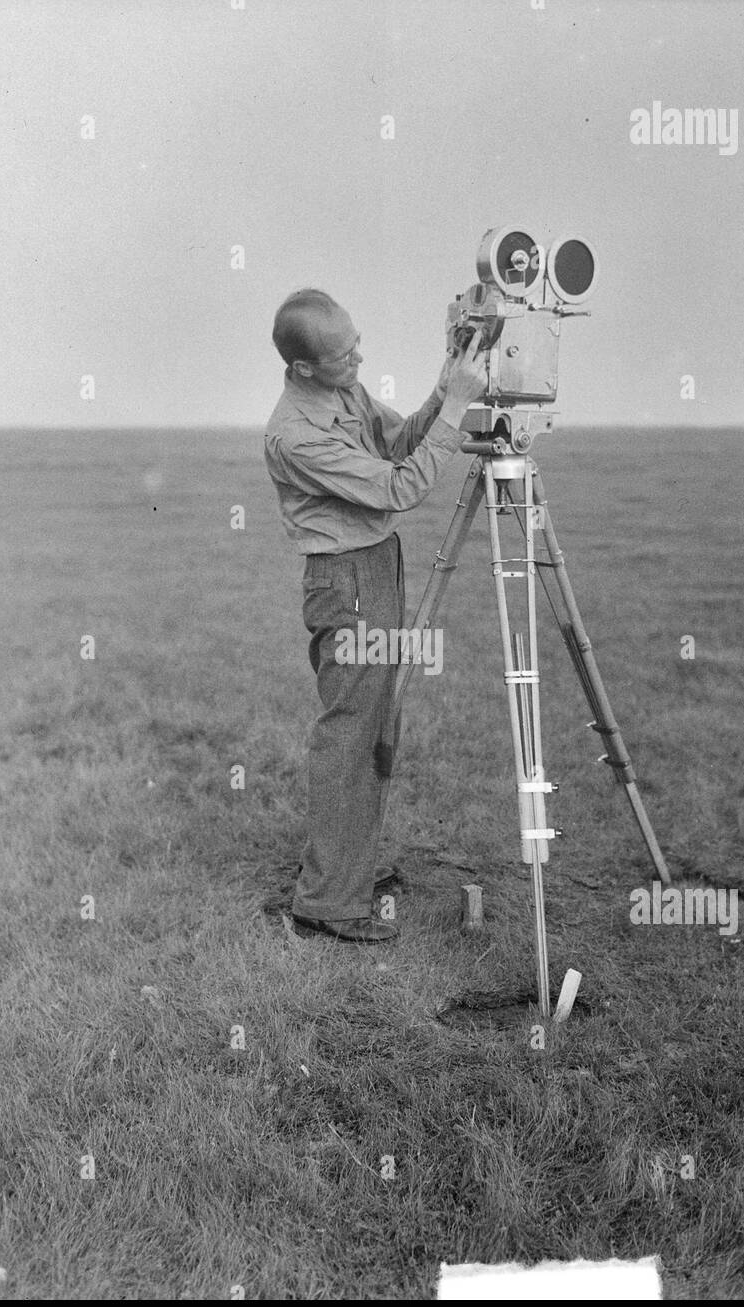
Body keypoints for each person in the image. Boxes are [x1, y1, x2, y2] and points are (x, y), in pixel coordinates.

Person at [264, 288, 488, 942]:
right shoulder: (294, 433)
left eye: (356, 342)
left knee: (374, 721)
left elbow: (399, 442)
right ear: (304, 368)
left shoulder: (346, 393)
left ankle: (348, 867)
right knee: (349, 732)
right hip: (347, 582)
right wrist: (458, 409)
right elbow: (399, 485)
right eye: (342, 354)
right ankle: (329, 902)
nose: (358, 357)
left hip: (375, 564)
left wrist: (446, 387)